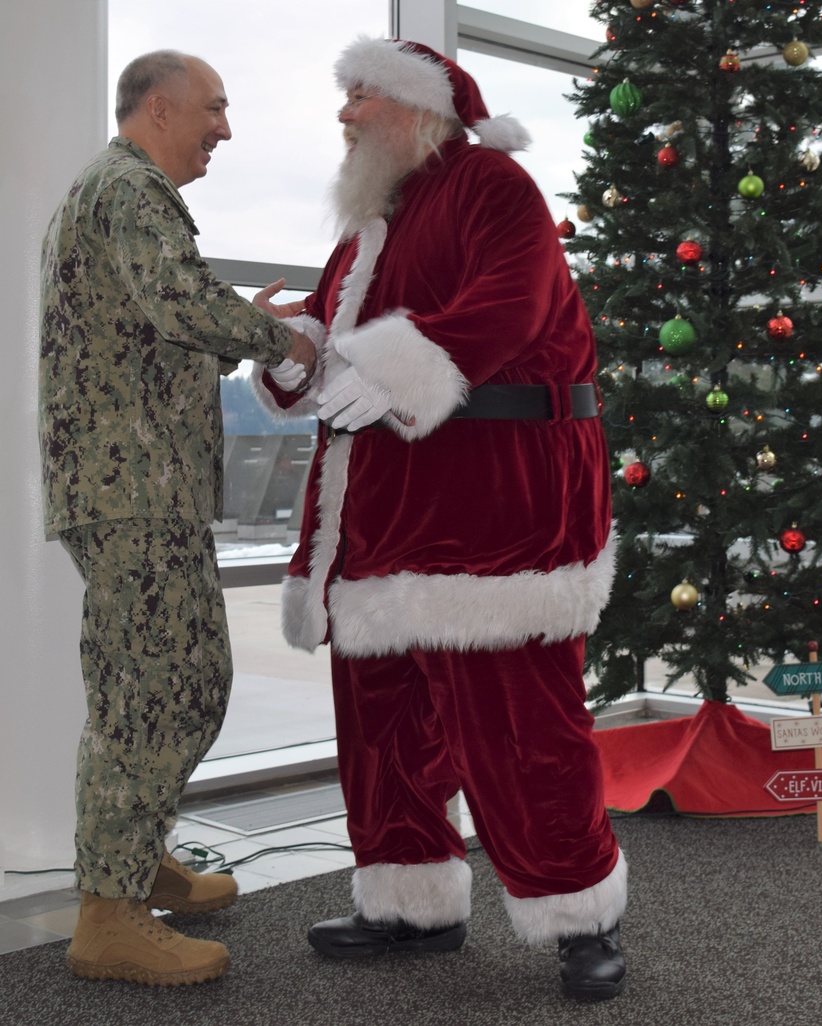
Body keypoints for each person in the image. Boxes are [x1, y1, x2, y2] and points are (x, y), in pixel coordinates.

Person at [252, 36, 626, 1002]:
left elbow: (510, 305)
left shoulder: (496, 188)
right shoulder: (372, 220)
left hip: (495, 519)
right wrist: (294, 351)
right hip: (381, 518)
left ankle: (580, 914)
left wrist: (392, 366)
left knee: (519, 730)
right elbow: (334, 339)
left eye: (359, 97)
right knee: (382, 728)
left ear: (417, 108)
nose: (343, 116)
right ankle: (410, 903)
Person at [38, 49, 317, 987]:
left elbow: (151, 326)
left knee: (153, 684)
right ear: (161, 109)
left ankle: (130, 865)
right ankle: (108, 916)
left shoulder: (110, 191)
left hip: (133, 489)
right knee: (163, 686)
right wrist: (288, 337)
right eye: (216, 110)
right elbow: (178, 300)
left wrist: (235, 322)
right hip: (133, 493)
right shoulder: (133, 191)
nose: (226, 130)